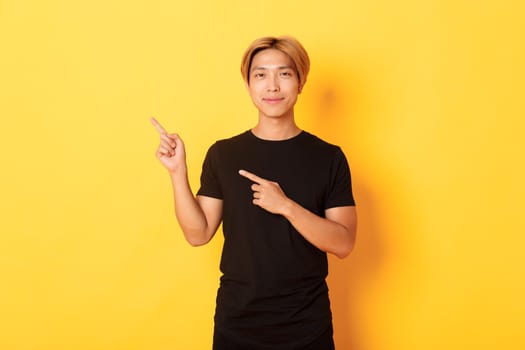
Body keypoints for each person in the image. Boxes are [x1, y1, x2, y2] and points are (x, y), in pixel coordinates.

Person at [151, 36, 357, 350]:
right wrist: (178, 172)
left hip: (307, 326)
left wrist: (286, 206)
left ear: (301, 82)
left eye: (284, 74)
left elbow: (344, 243)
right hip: (238, 324)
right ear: (248, 84)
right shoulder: (224, 154)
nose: (272, 86)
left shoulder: (329, 158)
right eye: (260, 75)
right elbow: (198, 233)